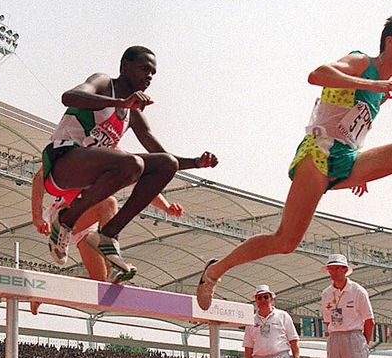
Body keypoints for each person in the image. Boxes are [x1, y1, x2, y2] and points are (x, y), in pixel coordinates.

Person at [196, 17, 392, 310]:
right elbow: (318, 74)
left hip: (346, 157)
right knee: (285, 241)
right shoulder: (362, 62)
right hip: (319, 152)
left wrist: (365, 169)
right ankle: (214, 271)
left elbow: (353, 123)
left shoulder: (381, 89)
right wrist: (373, 83)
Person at [43, 45, 218, 275]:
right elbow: (69, 97)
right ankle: (65, 219)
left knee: (167, 164)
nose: (149, 77)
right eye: (144, 69)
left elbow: (160, 154)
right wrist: (120, 103)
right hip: (63, 163)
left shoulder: (133, 113)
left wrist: (196, 162)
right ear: (125, 66)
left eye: (153, 73)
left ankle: (108, 234)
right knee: (131, 163)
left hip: (90, 176)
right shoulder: (104, 83)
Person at [31, 169, 184, 313]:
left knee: (100, 285)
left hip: (88, 225)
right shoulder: (86, 149)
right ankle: (115, 259)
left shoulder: (119, 159)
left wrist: (166, 206)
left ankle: (45, 292)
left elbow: (143, 184)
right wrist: (37, 217)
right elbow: (40, 175)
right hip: (66, 214)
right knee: (109, 203)